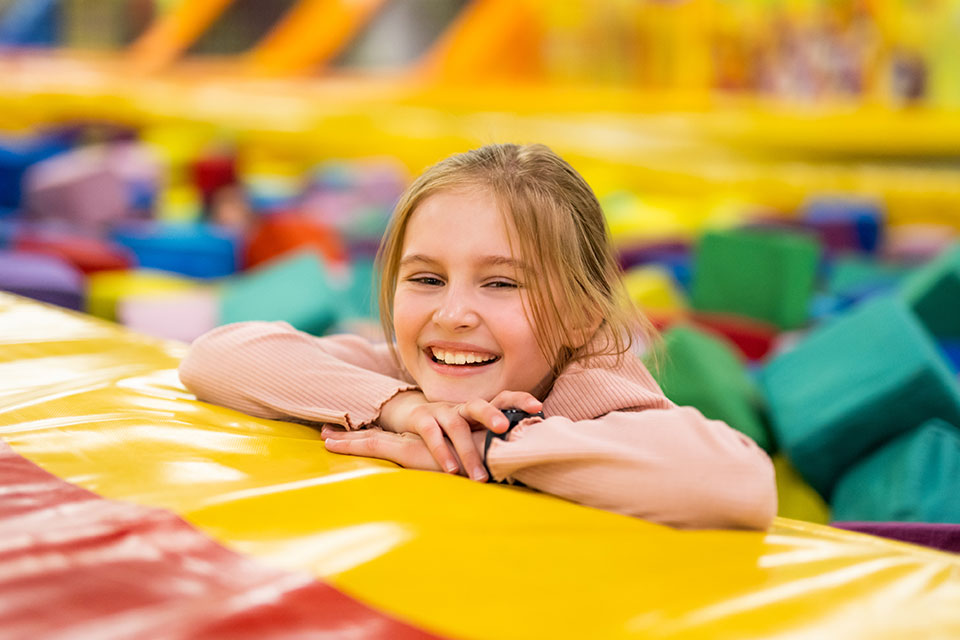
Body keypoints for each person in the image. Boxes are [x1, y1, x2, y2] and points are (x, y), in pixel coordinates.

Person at [179, 144, 777, 530]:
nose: (453, 312)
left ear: (581, 317)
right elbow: (215, 355)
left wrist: (484, 449)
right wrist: (403, 408)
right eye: (427, 278)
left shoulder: (597, 388)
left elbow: (737, 484)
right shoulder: (404, 377)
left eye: (499, 283)